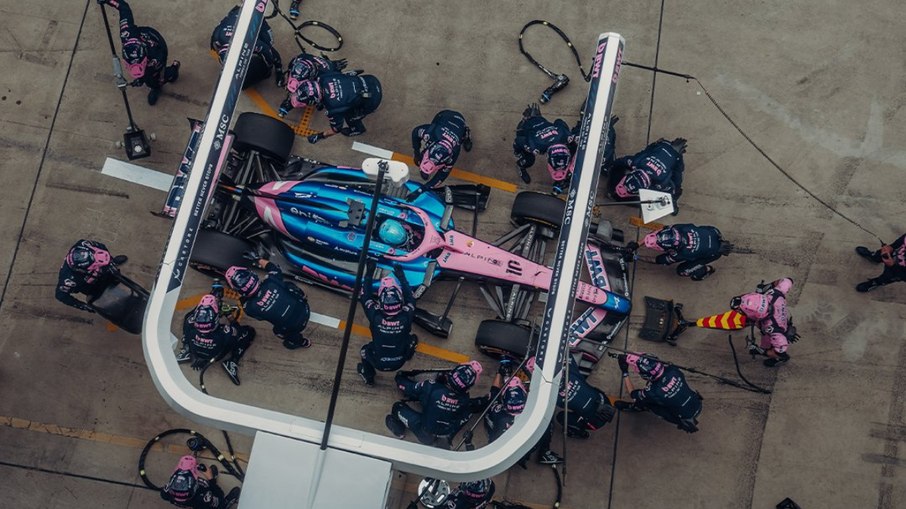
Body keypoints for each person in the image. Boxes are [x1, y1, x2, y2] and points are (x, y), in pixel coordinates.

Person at [99, 0, 180, 105]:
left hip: (158, 43)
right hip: (143, 35)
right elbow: (123, 7)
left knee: (156, 79)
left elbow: (153, 67)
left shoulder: (155, 60)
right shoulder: (126, 33)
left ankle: (174, 69)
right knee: (147, 77)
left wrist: (143, 79)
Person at [385, 361, 483, 447]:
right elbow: (470, 408)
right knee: (467, 411)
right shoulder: (465, 400)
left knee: (397, 406)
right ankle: (447, 438)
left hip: (425, 433)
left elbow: (408, 388)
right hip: (447, 432)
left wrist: (399, 377)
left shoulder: (431, 387)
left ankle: (399, 432)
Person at [224, 259, 311, 350]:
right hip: (305, 308)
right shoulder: (271, 280)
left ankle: (302, 342)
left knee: (278, 331)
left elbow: (259, 317)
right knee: (287, 285)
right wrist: (258, 259)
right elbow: (273, 267)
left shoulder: (250, 308)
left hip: (294, 327)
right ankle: (303, 296)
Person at [182, 282, 256, 385]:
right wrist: (228, 314)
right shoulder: (225, 332)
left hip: (196, 352)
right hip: (217, 355)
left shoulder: (190, 324)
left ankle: (186, 349)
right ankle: (232, 361)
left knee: (187, 321)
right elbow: (237, 330)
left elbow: (193, 315)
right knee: (249, 332)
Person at [357, 262, 418, 386]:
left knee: (364, 351)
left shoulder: (375, 315)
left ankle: (368, 377)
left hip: (379, 362)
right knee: (412, 339)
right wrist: (401, 277)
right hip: (400, 361)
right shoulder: (407, 315)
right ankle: (409, 353)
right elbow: (411, 298)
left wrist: (369, 273)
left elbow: (365, 296)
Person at [616, 353, 702, 432]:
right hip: (697, 403)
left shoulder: (653, 392)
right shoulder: (673, 370)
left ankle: (638, 407)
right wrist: (630, 358)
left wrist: (625, 372)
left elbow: (633, 394)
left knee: (644, 400)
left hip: (685, 416)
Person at [294, 72, 382, 143]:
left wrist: (319, 136)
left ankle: (357, 129)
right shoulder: (323, 77)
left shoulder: (332, 108)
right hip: (370, 79)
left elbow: (336, 129)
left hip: (373, 98)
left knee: (350, 116)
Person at [211, 5, 283, 90]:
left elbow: (266, 49)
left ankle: (278, 68)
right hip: (236, 15)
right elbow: (222, 25)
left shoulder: (249, 43)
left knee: (268, 43)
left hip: (254, 18)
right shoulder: (216, 38)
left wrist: (269, 65)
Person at [731, 277, 797, 367]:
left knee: (773, 350)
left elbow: (781, 351)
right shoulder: (775, 294)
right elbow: (788, 280)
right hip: (776, 319)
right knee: (765, 338)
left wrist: (761, 351)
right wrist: (769, 286)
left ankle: (778, 360)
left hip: (778, 330)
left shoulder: (773, 330)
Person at [407, 110, 473, 199]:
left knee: (461, 136)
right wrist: (416, 152)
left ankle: (466, 134)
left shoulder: (454, 153)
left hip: (459, 122)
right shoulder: (430, 133)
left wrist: (421, 190)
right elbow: (415, 131)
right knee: (435, 124)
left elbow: (441, 177)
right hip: (443, 117)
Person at [611, 138, 686, 212]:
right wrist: (612, 166)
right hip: (661, 145)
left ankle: (673, 203)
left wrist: (672, 199)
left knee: (677, 180)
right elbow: (621, 161)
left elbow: (672, 189)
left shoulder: (660, 182)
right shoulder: (635, 162)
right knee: (642, 155)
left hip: (674, 155)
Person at [512, 103, 574, 193]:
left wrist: (567, 134)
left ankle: (534, 116)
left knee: (572, 144)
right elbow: (518, 140)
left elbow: (559, 121)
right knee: (529, 159)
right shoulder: (535, 145)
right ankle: (520, 166)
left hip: (540, 123)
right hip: (525, 130)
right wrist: (517, 151)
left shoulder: (564, 135)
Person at [635, 223, 730, 281]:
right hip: (714, 231)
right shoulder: (677, 228)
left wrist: (636, 257)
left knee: (682, 271)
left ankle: (706, 270)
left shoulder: (680, 253)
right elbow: (662, 229)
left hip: (713, 253)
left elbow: (656, 260)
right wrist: (637, 244)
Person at [55, 239, 127, 313]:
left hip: (102, 273)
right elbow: (60, 295)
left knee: (115, 280)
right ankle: (114, 309)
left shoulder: (82, 244)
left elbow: (101, 246)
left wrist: (110, 261)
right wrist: (82, 305)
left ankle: (122, 293)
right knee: (100, 298)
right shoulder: (67, 278)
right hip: (89, 286)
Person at [554, 356, 615, 439]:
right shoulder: (572, 372)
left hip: (594, 422)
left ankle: (579, 432)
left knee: (560, 416)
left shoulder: (557, 397)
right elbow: (568, 355)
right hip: (604, 403)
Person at [277, 52, 348, 118]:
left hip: (327, 71)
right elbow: (292, 69)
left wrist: (322, 101)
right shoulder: (299, 59)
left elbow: (334, 85)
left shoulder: (327, 73)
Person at [472, 360, 527, 443]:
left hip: (494, 435)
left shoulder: (496, 411)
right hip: (514, 442)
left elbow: (494, 393)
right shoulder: (530, 416)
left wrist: (499, 372)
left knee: (488, 400)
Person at [160, 455, 240, 508]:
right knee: (219, 502)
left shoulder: (166, 492)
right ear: (195, 487)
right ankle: (225, 504)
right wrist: (211, 479)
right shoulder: (204, 498)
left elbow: (164, 495)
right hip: (203, 505)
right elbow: (220, 494)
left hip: (192, 503)